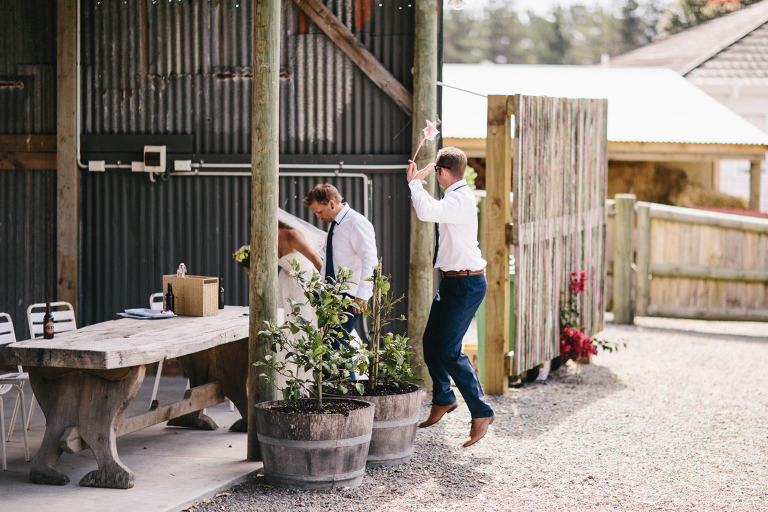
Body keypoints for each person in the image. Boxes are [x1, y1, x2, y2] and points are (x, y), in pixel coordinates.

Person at [406, 146, 495, 448]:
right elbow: (432, 209)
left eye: (437, 174)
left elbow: (425, 211)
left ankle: (481, 411)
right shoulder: (454, 196)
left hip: (467, 285)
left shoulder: (459, 199)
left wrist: (414, 183)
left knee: (448, 351)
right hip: (451, 284)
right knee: (431, 343)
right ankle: (444, 398)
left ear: (442, 173)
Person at [303, 184, 378, 373]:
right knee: (335, 348)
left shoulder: (356, 223)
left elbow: (370, 260)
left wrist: (362, 296)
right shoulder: (335, 225)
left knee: (334, 347)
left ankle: (342, 395)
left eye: (319, 212)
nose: (318, 217)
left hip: (350, 297)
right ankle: (344, 396)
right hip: (333, 296)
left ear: (331, 203)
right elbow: (332, 261)